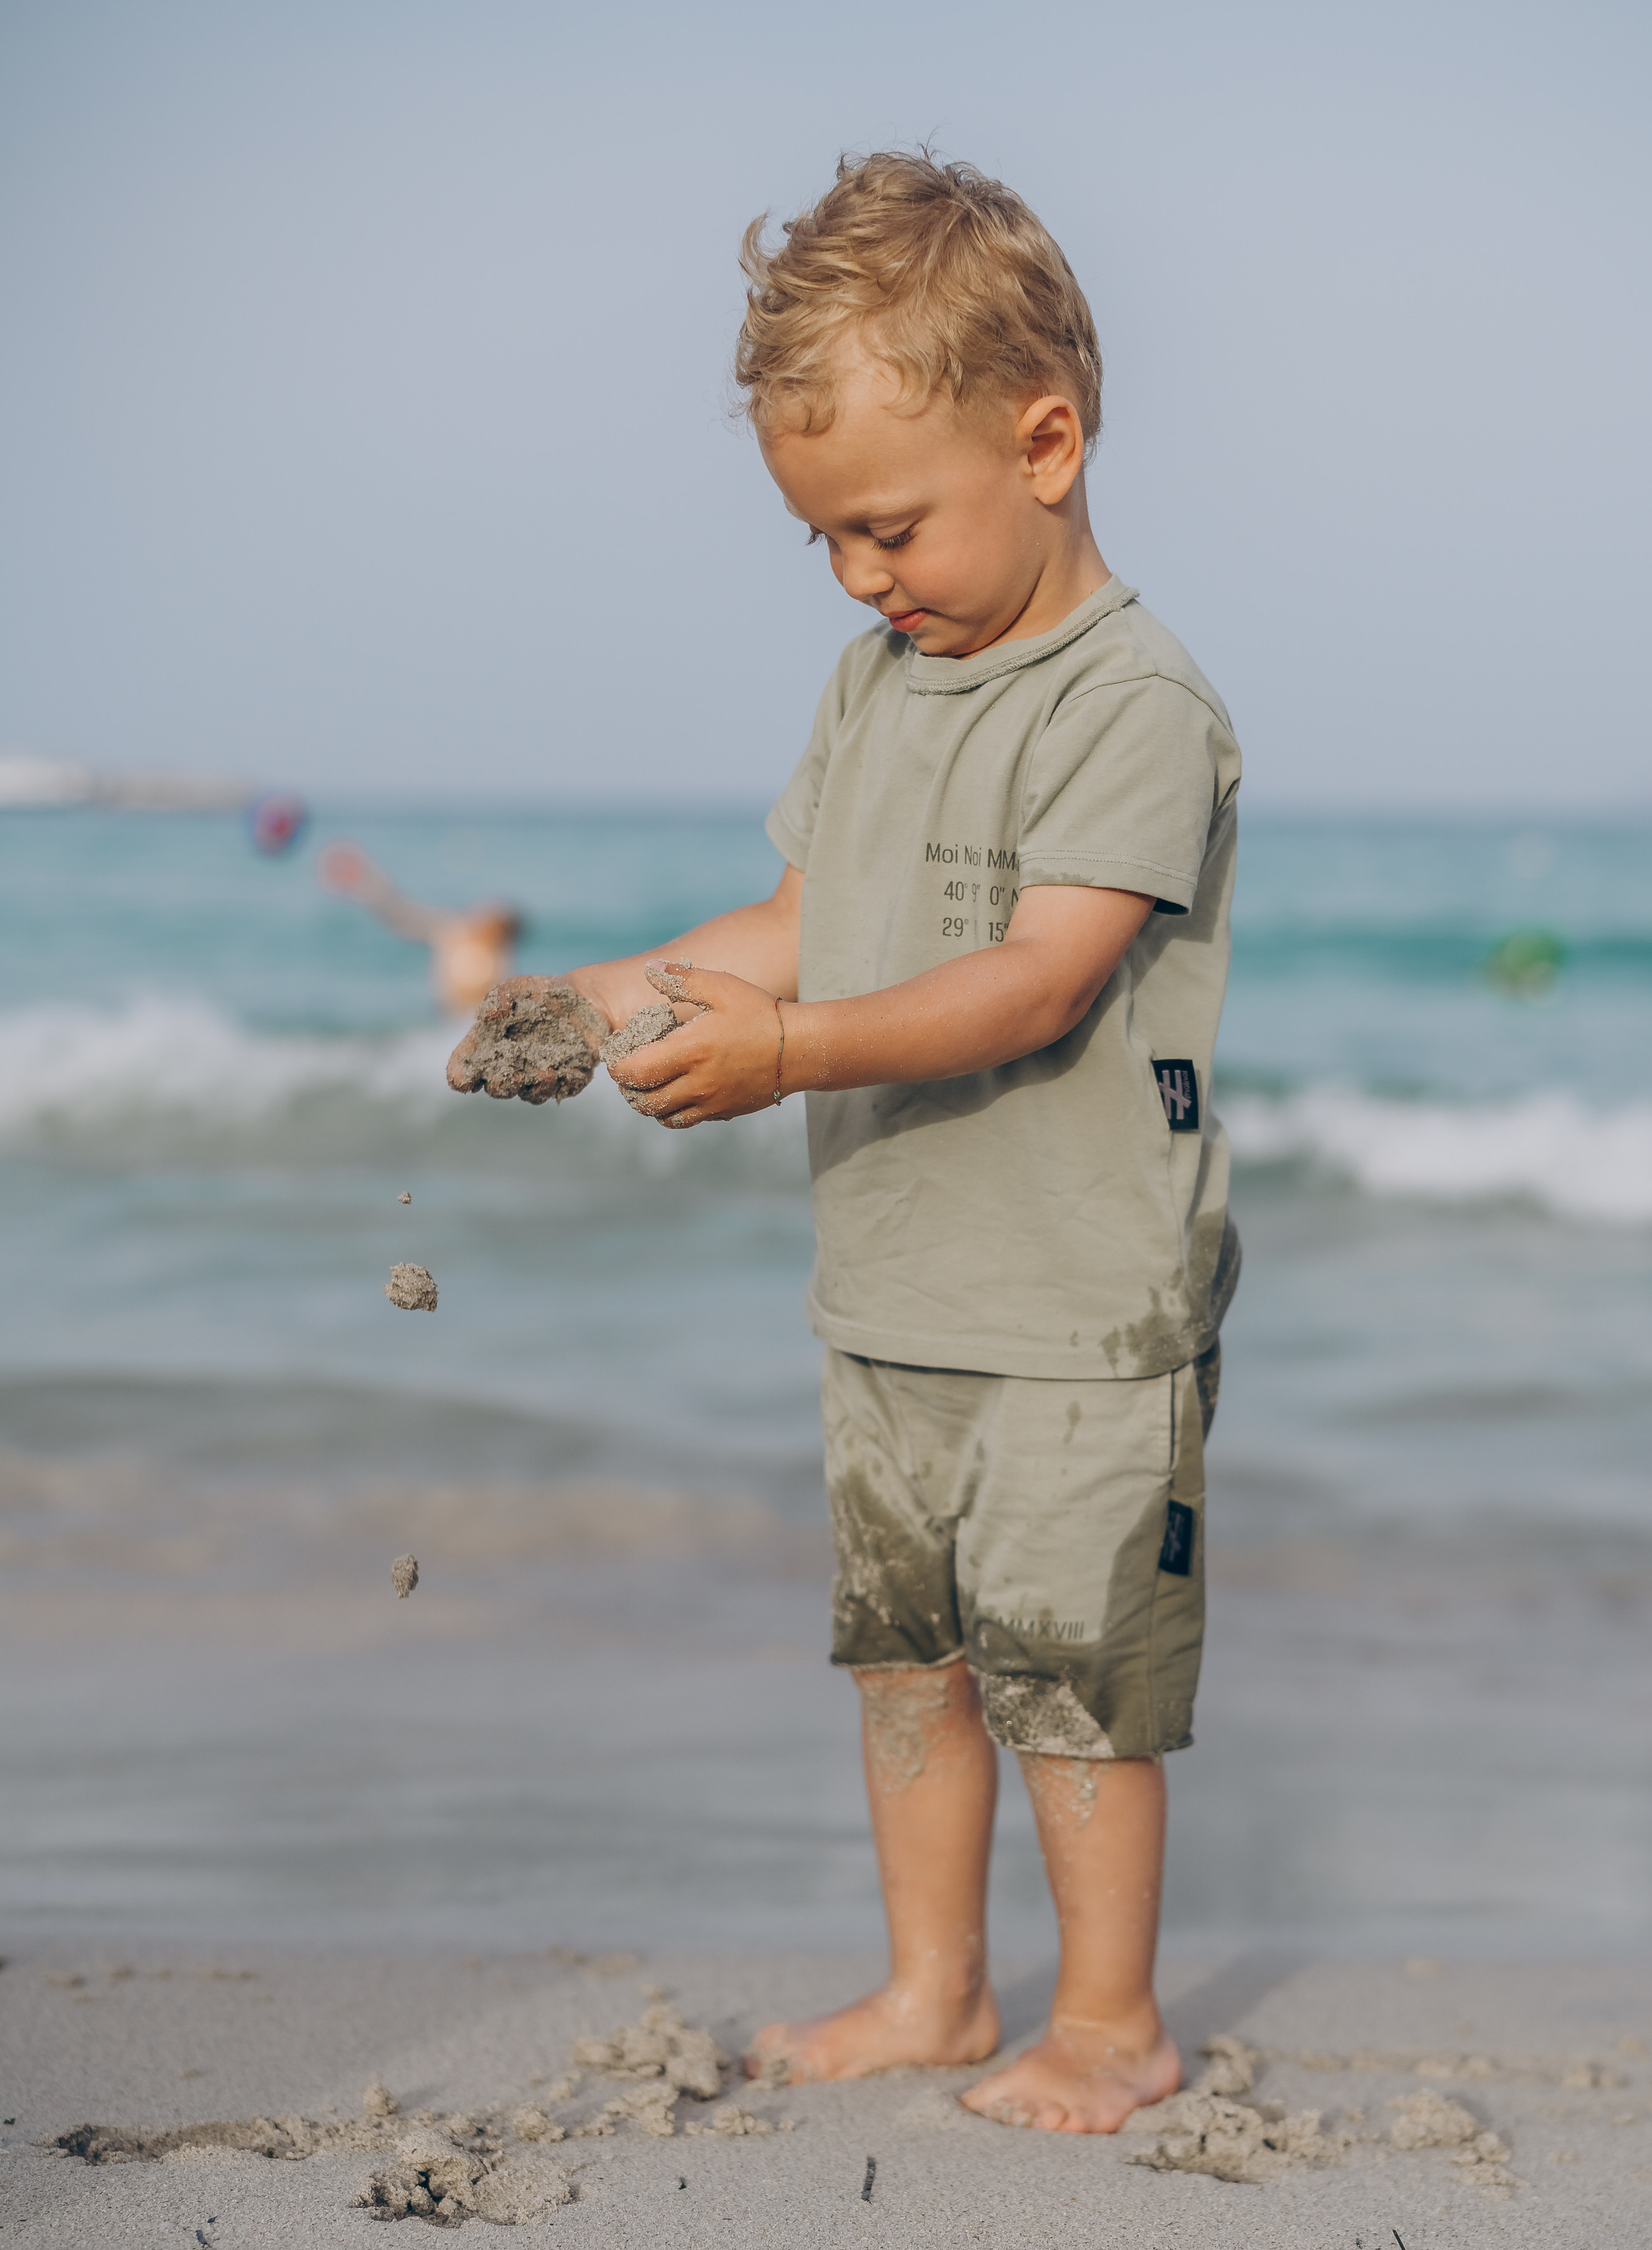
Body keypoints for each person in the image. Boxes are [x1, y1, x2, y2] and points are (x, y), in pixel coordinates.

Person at [448, 150, 1241, 2133]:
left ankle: (1114, 2017)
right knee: (911, 1662)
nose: (862, 578)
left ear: (1042, 441)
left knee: (1068, 1672)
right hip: (889, 1286)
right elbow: (804, 916)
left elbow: (1037, 978)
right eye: (821, 542)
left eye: (887, 527)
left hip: (1076, 1310)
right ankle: (932, 1983)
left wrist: (790, 1050)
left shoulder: (1131, 699)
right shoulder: (874, 685)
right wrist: (619, 987)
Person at [318, 841, 522, 1017]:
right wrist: (364, 880)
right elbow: (400, 914)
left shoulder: (495, 952)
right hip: (454, 1026)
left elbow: (401, 914)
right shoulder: (457, 932)